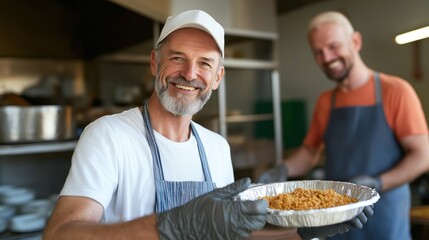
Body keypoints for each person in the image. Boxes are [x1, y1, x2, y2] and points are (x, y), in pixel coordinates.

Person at [43, 9, 373, 240]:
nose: (189, 73)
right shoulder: (108, 136)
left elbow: (235, 236)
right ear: (155, 62)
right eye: (177, 58)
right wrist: (171, 228)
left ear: (217, 78)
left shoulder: (217, 147)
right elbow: (60, 234)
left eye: (204, 63)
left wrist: (301, 233)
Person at [259, 11, 429, 240]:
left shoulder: (396, 91)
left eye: (333, 46)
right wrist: (281, 169)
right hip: (336, 225)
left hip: (385, 221)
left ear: (356, 42)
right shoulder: (325, 102)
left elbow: (422, 156)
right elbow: (310, 152)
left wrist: (378, 182)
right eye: (318, 52)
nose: (327, 57)